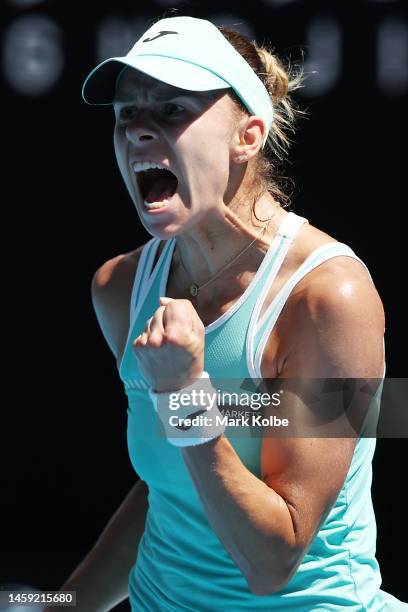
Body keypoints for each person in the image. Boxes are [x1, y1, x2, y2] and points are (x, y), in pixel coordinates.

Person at [46, 15, 407, 612]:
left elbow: (273, 562)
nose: (138, 129)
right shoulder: (120, 287)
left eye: (171, 110)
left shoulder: (332, 297)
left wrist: (185, 394)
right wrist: (55, 606)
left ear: (249, 135)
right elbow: (174, 489)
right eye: (127, 113)